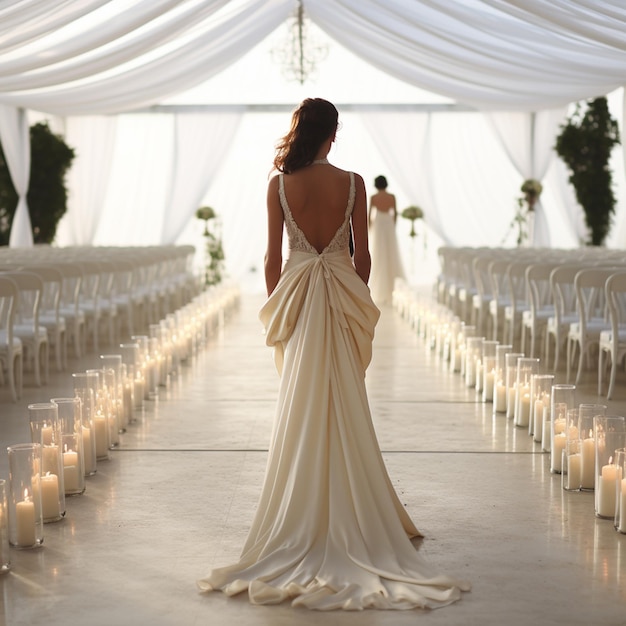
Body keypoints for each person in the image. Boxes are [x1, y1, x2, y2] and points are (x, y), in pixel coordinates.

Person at [197, 98, 469, 610]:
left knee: (300, 403)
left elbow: (271, 259)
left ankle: (299, 515)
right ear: (333, 133)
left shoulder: (278, 185)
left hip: (299, 294)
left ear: (300, 131)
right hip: (338, 291)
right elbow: (361, 255)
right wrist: (350, 294)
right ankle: (360, 512)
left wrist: (285, 308)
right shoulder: (355, 182)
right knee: (348, 398)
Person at [368, 175, 405, 305]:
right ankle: (394, 289)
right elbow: (395, 213)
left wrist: (369, 229)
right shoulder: (392, 197)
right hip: (388, 224)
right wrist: (393, 226)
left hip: (378, 224)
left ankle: (381, 289)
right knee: (391, 253)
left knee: (379, 253)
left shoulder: (373, 198)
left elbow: (369, 215)